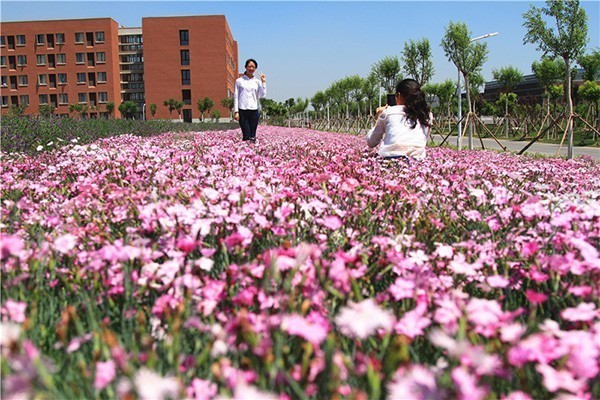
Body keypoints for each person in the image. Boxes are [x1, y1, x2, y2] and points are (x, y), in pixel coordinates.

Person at [366, 78, 432, 161]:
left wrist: (379, 117)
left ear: (400, 95)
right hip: (417, 162)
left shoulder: (388, 112)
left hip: (390, 161)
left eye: (396, 96)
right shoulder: (427, 114)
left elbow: (371, 142)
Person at [233, 59, 267, 143]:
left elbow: (263, 95)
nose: (251, 68)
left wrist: (263, 82)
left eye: (253, 67)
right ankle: (245, 151)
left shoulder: (257, 82)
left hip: (253, 110)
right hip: (243, 109)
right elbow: (236, 96)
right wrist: (236, 111)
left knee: (252, 134)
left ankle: (252, 152)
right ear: (245, 67)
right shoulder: (239, 81)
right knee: (246, 134)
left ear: (255, 69)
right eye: (249, 66)